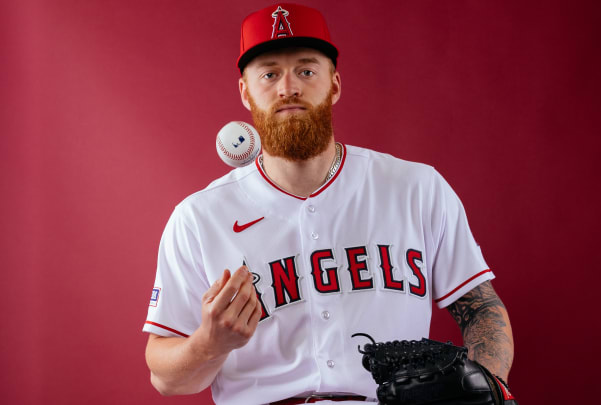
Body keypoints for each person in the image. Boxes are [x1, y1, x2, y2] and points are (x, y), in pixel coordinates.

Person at [143, 3, 514, 404]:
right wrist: (209, 343)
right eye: (269, 74)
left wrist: (489, 386)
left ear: (334, 84)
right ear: (245, 92)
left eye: (306, 70)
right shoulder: (199, 218)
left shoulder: (417, 188)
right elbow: (166, 378)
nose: (288, 88)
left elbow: (481, 310)